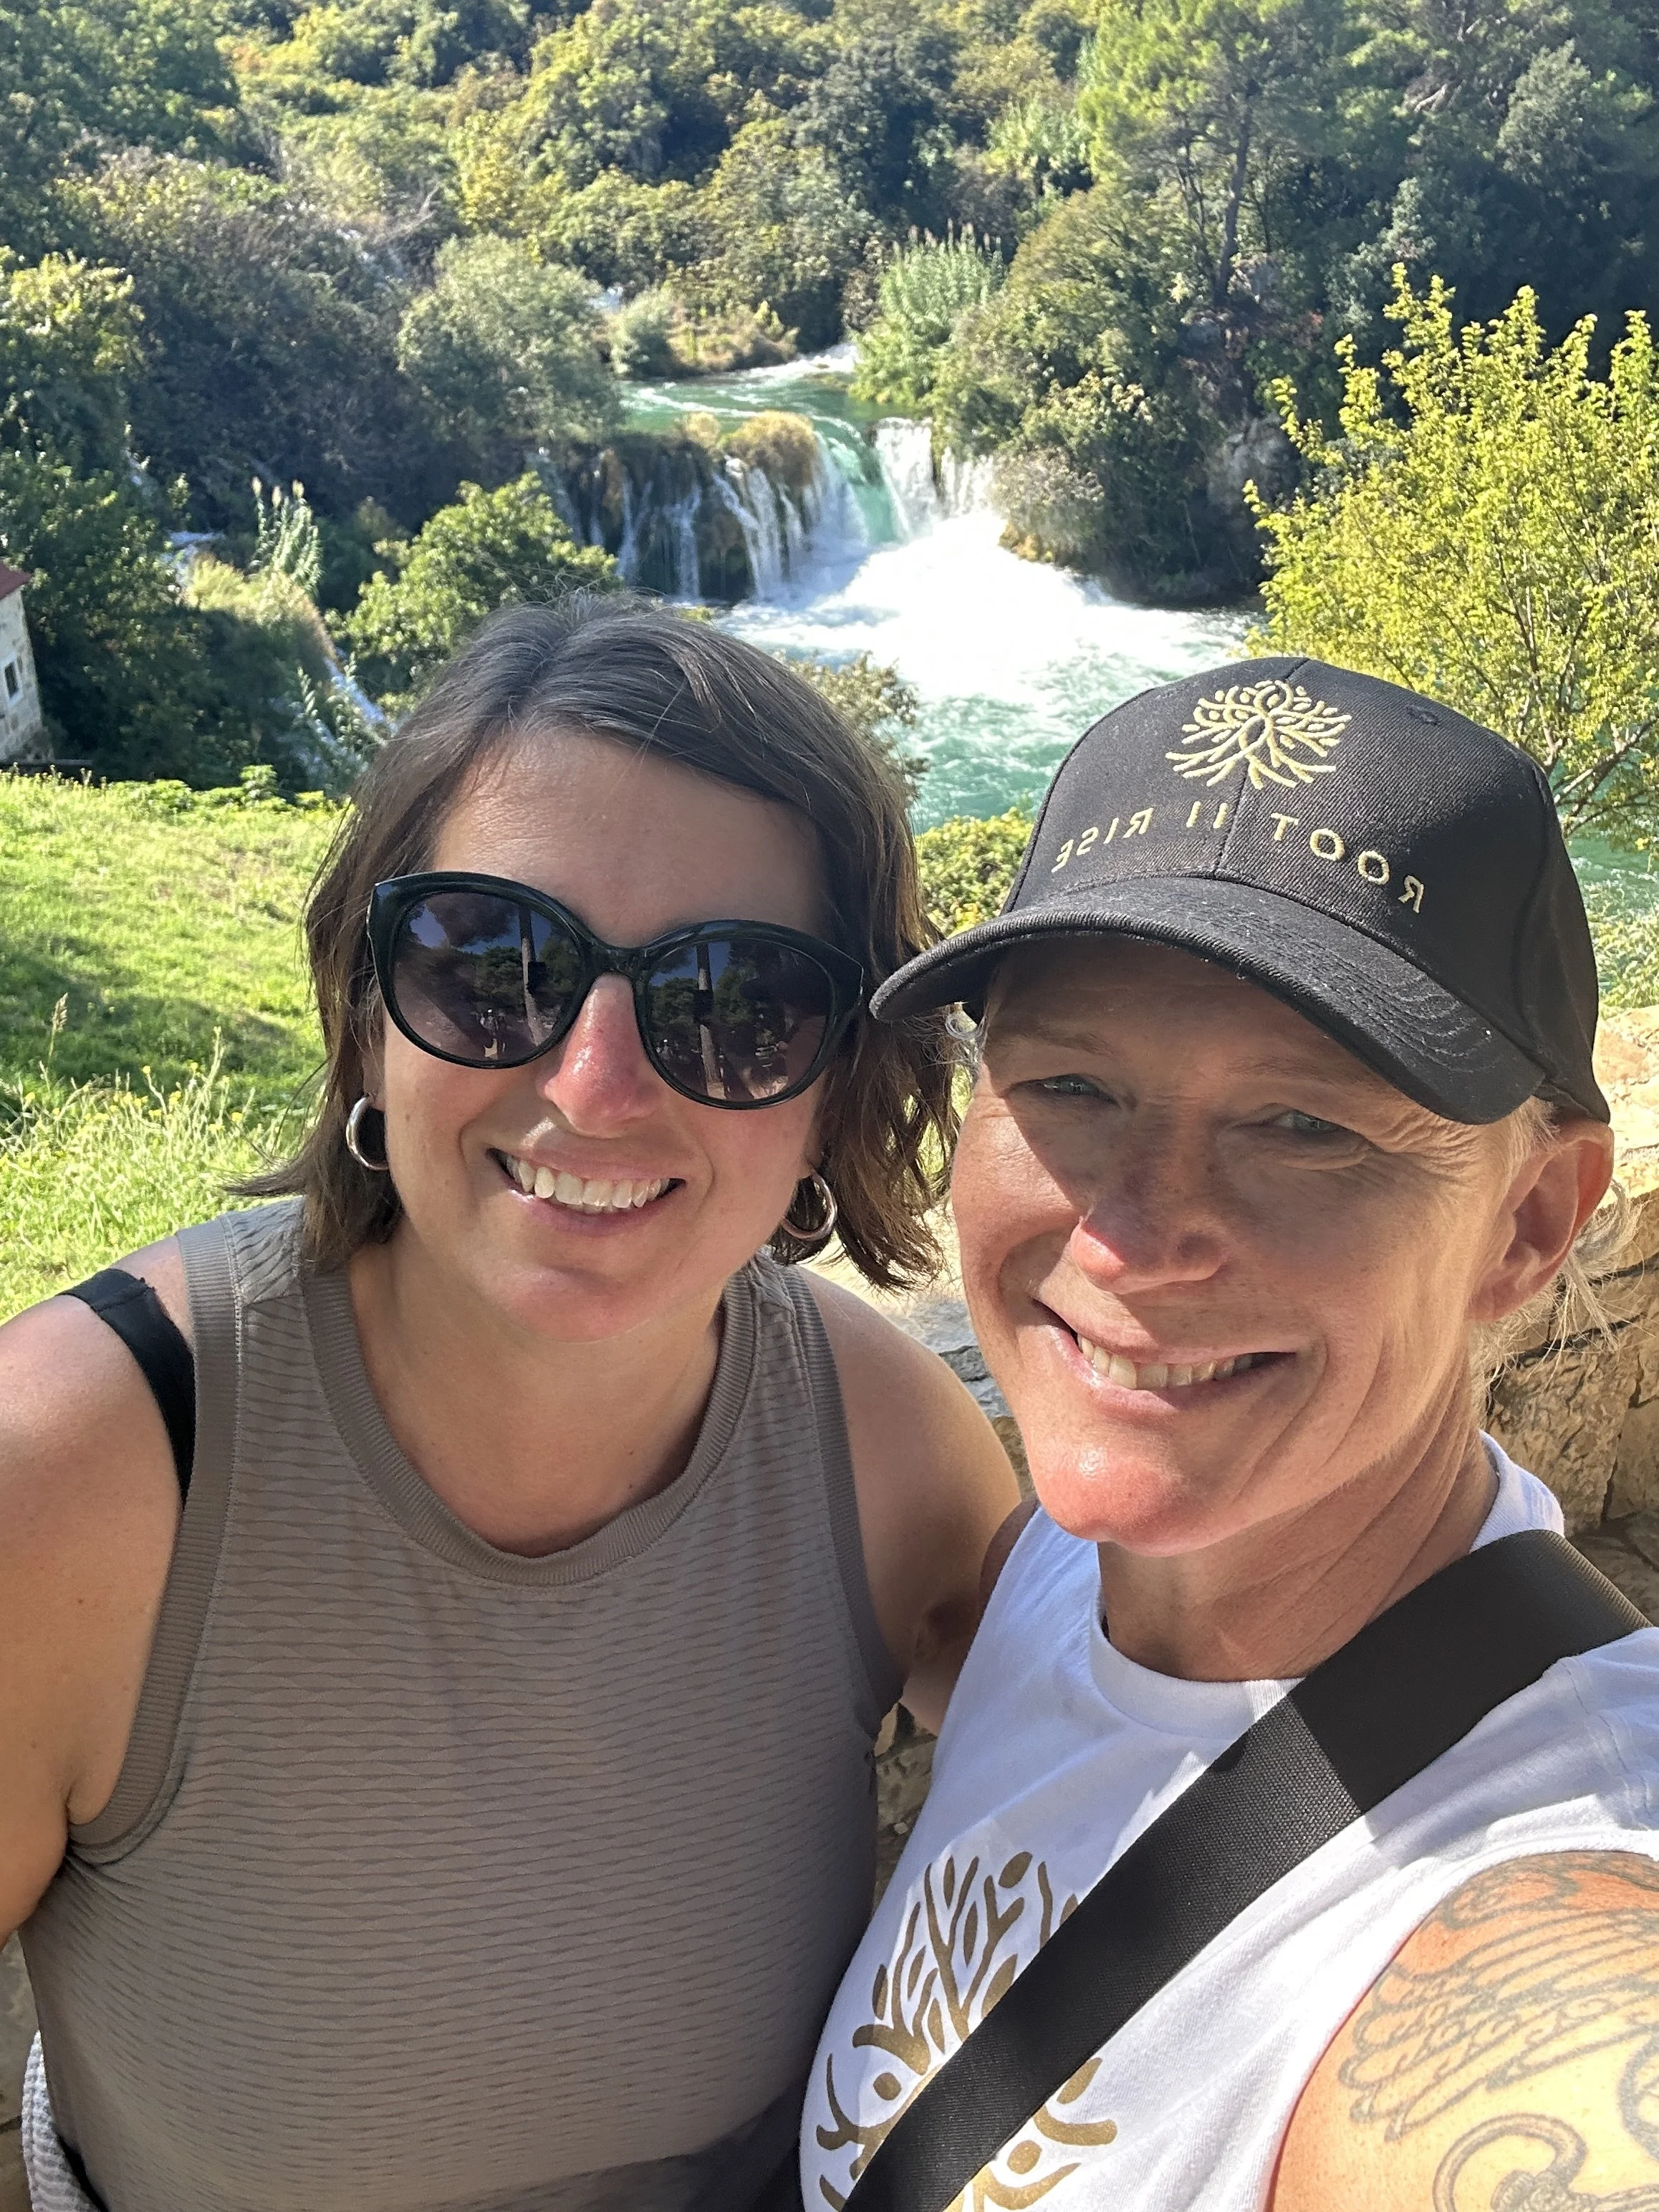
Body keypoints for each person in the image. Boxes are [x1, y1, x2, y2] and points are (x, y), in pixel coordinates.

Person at [0, 598, 1020, 2212]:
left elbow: (1174, 1779)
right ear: (363, 1004)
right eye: (492, 962)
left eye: (734, 999)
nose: (599, 1083)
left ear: (837, 1078)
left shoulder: (883, 1451)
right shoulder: (77, 1476)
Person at [804, 658, 1659, 2211]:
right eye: (1070, 1084)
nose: (1134, 1238)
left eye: (1304, 1124)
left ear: (1530, 1222)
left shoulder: (1549, 1883)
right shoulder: (1057, 1569)